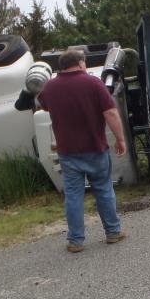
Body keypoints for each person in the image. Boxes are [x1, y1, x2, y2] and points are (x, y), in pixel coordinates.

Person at [37, 49, 126, 253]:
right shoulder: (93, 83)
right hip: (95, 147)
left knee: (74, 195)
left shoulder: (50, 87)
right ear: (80, 63)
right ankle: (113, 232)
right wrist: (120, 139)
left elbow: (42, 105)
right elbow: (111, 112)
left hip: (67, 151)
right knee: (103, 189)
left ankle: (75, 240)